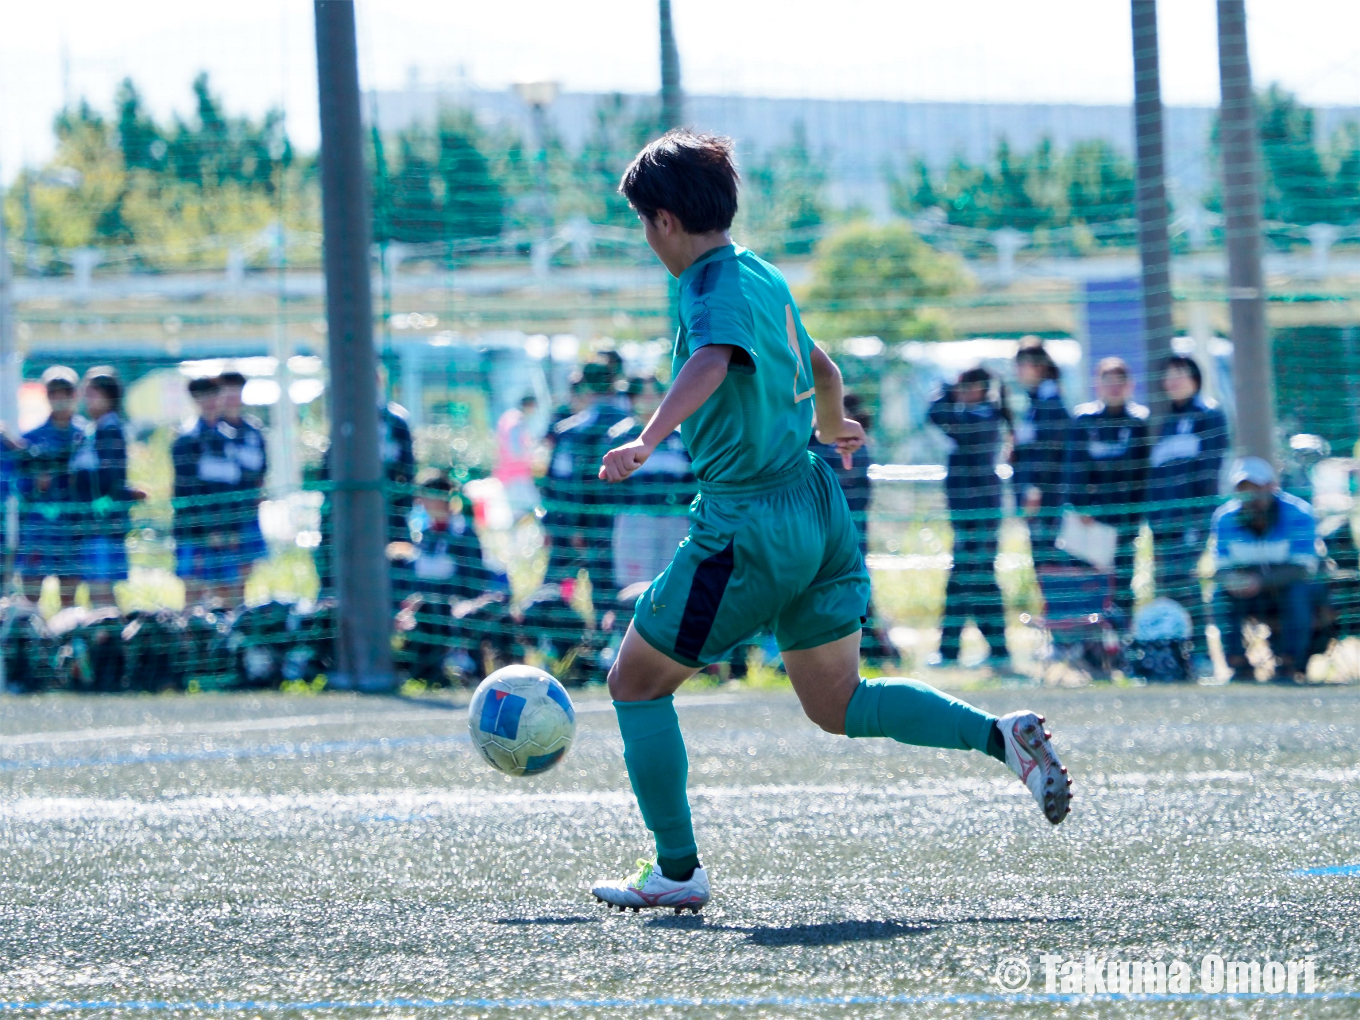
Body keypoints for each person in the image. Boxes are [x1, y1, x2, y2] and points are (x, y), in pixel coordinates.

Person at [588, 130, 1071, 913]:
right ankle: (1000, 736)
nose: (648, 239)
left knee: (635, 684)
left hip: (747, 520)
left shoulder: (706, 286)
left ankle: (677, 871)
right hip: (817, 503)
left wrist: (646, 439)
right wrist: (832, 425)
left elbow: (710, 361)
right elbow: (824, 369)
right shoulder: (764, 274)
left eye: (644, 223)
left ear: (666, 220)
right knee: (837, 702)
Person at [1148, 355, 1229, 673]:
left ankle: (1203, 656)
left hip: (1191, 519)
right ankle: (1176, 658)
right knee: (1166, 585)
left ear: (1195, 377)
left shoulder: (1209, 414)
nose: (1173, 381)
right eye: (1168, 376)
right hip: (1162, 522)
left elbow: (1209, 471)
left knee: (1186, 582)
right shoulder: (1166, 422)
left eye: (1180, 374)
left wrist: (1197, 517)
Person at [927, 367, 1010, 669]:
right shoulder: (976, 415)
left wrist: (947, 391)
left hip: (981, 516)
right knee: (963, 581)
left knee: (979, 581)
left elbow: (937, 414)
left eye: (965, 387)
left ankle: (996, 648)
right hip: (966, 515)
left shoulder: (984, 416)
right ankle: (952, 650)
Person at [1212, 457, 1318, 682]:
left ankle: (1290, 665)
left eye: (1256, 488)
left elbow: (1303, 568)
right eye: (1244, 488)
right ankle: (1239, 667)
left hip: (1287, 590)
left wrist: (1260, 581)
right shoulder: (1224, 518)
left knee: (1298, 593)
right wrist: (1233, 581)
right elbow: (1220, 570)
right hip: (1247, 593)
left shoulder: (1299, 513)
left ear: (1271, 487)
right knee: (1219, 597)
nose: (1251, 495)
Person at [1063, 357, 1150, 622]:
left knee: (1122, 580)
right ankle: (1085, 641)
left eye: (1119, 381)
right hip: (1089, 520)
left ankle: (1122, 639)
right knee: (1086, 579)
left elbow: (1143, 473)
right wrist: (1081, 507)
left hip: (1124, 519)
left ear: (1130, 385)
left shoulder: (1139, 422)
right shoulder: (1084, 419)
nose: (1113, 387)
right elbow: (1074, 468)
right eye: (1107, 381)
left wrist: (1136, 515)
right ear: (1096, 385)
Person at [808, 392, 893, 662]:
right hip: (837, 530)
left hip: (839, 530)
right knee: (849, 587)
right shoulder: (839, 441)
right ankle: (868, 645)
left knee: (847, 588)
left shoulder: (842, 443)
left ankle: (869, 645)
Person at [540, 360, 631, 593]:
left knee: (556, 587)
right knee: (614, 589)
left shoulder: (571, 430)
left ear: (584, 386)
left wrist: (566, 524)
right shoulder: (634, 426)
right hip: (622, 523)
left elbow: (563, 481)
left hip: (573, 520)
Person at [610, 375, 696, 593]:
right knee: (634, 588)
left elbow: (693, 481)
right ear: (632, 399)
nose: (649, 400)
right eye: (642, 395)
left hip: (676, 521)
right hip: (635, 521)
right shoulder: (619, 436)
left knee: (673, 585)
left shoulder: (682, 437)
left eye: (654, 394)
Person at [70, 367, 143, 607]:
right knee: (95, 590)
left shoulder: (110, 430)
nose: (88, 399)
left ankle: (110, 638)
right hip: (90, 526)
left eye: (94, 394)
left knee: (101, 591)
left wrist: (111, 498)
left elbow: (113, 478)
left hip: (103, 526)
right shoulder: (91, 431)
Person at [16, 367, 87, 608]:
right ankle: (30, 643)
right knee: (30, 597)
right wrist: (36, 484)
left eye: (65, 393)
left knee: (69, 598)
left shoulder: (87, 435)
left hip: (73, 528)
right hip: (39, 528)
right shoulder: (32, 437)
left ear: (74, 395)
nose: (60, 399)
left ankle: (67, 643)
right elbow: (19, 485)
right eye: (54, 393)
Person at [1011, 339, 1070, 572]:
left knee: (1050, 562)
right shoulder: (1035, 403)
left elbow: (1050, 452)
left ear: (1039, 366)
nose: (1017, 372)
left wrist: (1034, 489)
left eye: (1021, 365)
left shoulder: (1050, 404)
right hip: (1039, 502)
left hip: (1047, 501)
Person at [172, 376, 230, 606]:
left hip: (227, 530)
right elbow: (187, 491)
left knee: (227, 593)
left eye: (213, 394)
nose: (210, 401)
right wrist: (209, 529)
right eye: (202, 396)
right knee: (193, 594)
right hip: (193, 531)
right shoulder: (186, 439)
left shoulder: (231, 437)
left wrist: (226, 527)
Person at [214, 371, 268, 603]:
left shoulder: (253, 431)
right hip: (220, 518)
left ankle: (238, 618)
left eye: (237, 390)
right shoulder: (211, 431)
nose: (232, 396)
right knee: (220, 578)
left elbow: (262, 470)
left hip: (247, 514)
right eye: (227, 390)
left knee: (244, 575)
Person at [494, 394, 542, 522]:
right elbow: (516, 451)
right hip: (517, 475)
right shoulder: (516, 421)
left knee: (519, 511)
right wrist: (533, 455)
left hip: (509, 474)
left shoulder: (508, 417)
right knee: (529, 509)